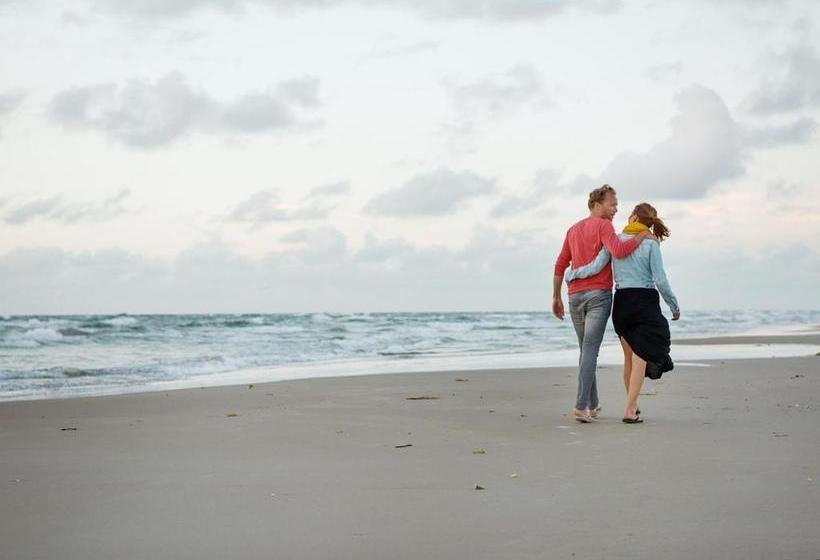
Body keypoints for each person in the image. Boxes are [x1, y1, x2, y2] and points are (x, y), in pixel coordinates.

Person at [565, 202, 679, 424]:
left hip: (622, 302)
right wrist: (673, 305)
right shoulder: (650, 244)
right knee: (640, 358)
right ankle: (629, 409)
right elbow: (660, 280)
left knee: (630, 358)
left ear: (634, 217)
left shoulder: (614, 241)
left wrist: (573, 274)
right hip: (644, 301)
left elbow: (596, 267)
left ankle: (632, 406)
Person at [553, 185, 653, 423]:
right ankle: (580, 406)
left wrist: (556, 296)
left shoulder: (573, 229)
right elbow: (618, 251)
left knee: (586, 351)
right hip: (597, 295)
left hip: (574, 297)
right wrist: (641, 235)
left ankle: (592, 403)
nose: (616, 209)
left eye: (617, 205)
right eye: (612, 204)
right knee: (589, 351)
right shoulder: (604, 225)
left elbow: (560, 264)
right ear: (597, 205)